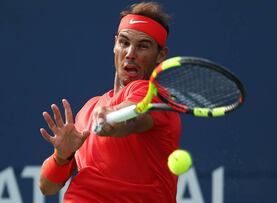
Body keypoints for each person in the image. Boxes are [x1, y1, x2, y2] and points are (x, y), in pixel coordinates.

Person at [39, 2, 182, 202]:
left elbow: (132, 116)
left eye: (142, 46)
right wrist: (62, 157)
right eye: (124, 43)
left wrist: (112, 121)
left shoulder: (152, 95)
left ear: (161, 55)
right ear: (115, 45)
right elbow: (48, 188)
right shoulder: (88, 110)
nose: (130, 53)